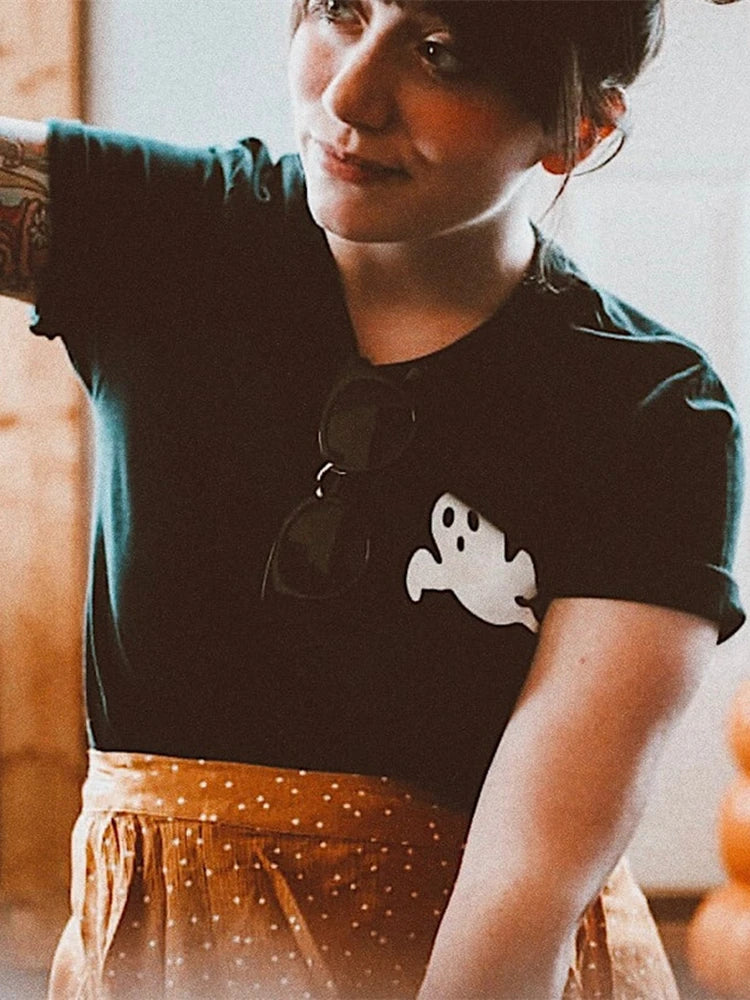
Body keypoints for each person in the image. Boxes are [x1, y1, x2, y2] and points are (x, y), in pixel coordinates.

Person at [0, 1, 744, 997]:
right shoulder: (168, 235)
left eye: (442, 54)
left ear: (576, 131)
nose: (349, 96)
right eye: (340, 10)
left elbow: (527, 883)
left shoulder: (650, 410)